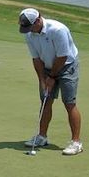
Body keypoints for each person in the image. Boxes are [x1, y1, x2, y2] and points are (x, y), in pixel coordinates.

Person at [19, 8, 83, 156]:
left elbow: (62, 57)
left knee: (69, 103)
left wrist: (52, 77)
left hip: (67, 66)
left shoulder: (57, 30)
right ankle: (42, 137)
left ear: (38, 20)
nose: (29, 30)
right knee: (45, 100)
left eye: (30, 26)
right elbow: (36, 59)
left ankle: (76, 142)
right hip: (47, 67)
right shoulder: (29, 34)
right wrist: (43, 80)